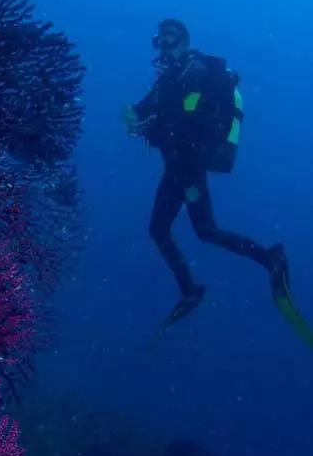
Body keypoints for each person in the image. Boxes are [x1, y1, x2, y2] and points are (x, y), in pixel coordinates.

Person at [123, 18, 301, 337]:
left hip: (188, 162)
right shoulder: (169, 79)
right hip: (180, 163)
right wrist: (133, 117)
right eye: (159, 40)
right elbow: (143, 111)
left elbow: (187, 120)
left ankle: (202, 286)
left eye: (171, 38)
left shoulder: (196, 71)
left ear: (186, 41)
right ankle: (256, 263)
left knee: (172, 228)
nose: (164, 45)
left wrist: (154, 125)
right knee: (198, 229)